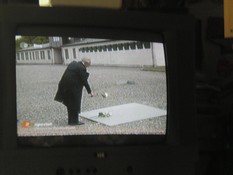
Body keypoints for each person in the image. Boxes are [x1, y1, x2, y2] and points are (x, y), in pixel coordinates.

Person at [54, 58, 94, 125]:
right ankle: (74, 121)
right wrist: (90, 92)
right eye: (88, 65)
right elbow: (84, 81)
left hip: (64, 87)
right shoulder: (81, 68)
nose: (87, 67)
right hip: (73, 89)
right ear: (86, 64)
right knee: (75, 104)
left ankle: (71, 121)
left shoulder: (73, 64)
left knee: (70, 104)